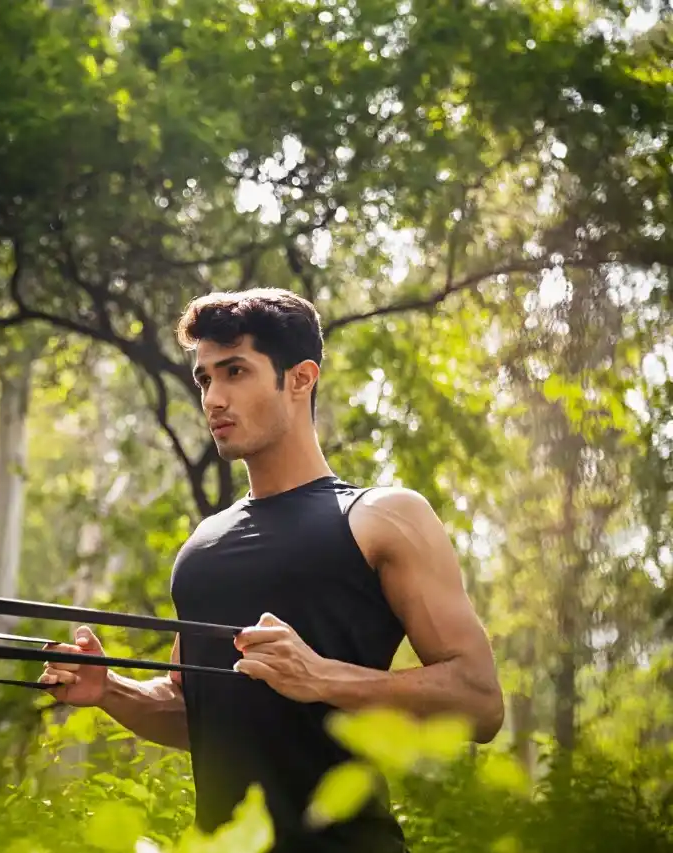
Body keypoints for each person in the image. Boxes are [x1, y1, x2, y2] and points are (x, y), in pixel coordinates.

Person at [39, 288, 504, 853]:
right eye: (205, 378)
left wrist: (323, 677)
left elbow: (480, 703)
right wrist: (109, 688)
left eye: (236, 371)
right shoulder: (203, 547)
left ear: (301, 378)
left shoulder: (383, 518)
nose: (214, 398)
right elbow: (198, 714)